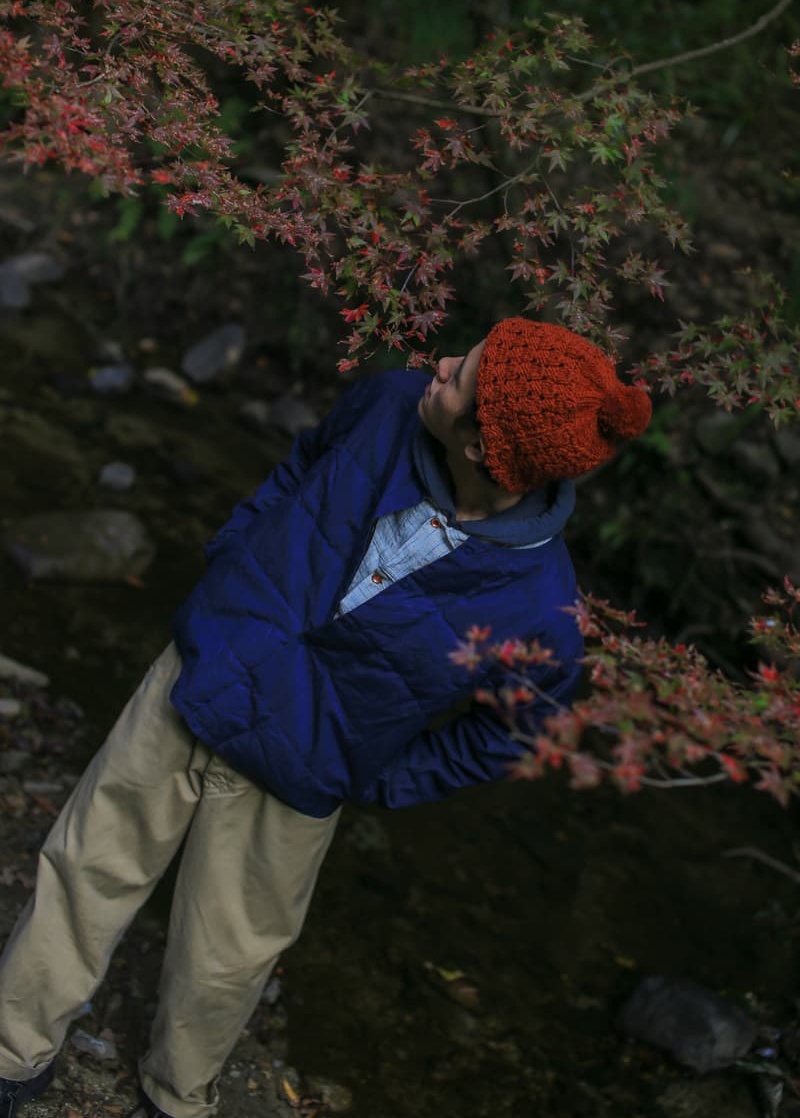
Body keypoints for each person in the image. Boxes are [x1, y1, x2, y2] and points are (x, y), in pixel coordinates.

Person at [0, 317, 651, 1118]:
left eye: (458, 377)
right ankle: (10, 1051)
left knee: (227, 952)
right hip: (207, 669)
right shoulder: (387, 404)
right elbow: (301, 463)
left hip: (304, 768)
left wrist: (375, 771)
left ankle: (175, 1098)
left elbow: (511, 732)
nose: (438, 365)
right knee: (86, 862)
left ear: (485, 449)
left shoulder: (541, 610)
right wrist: (229, 568)